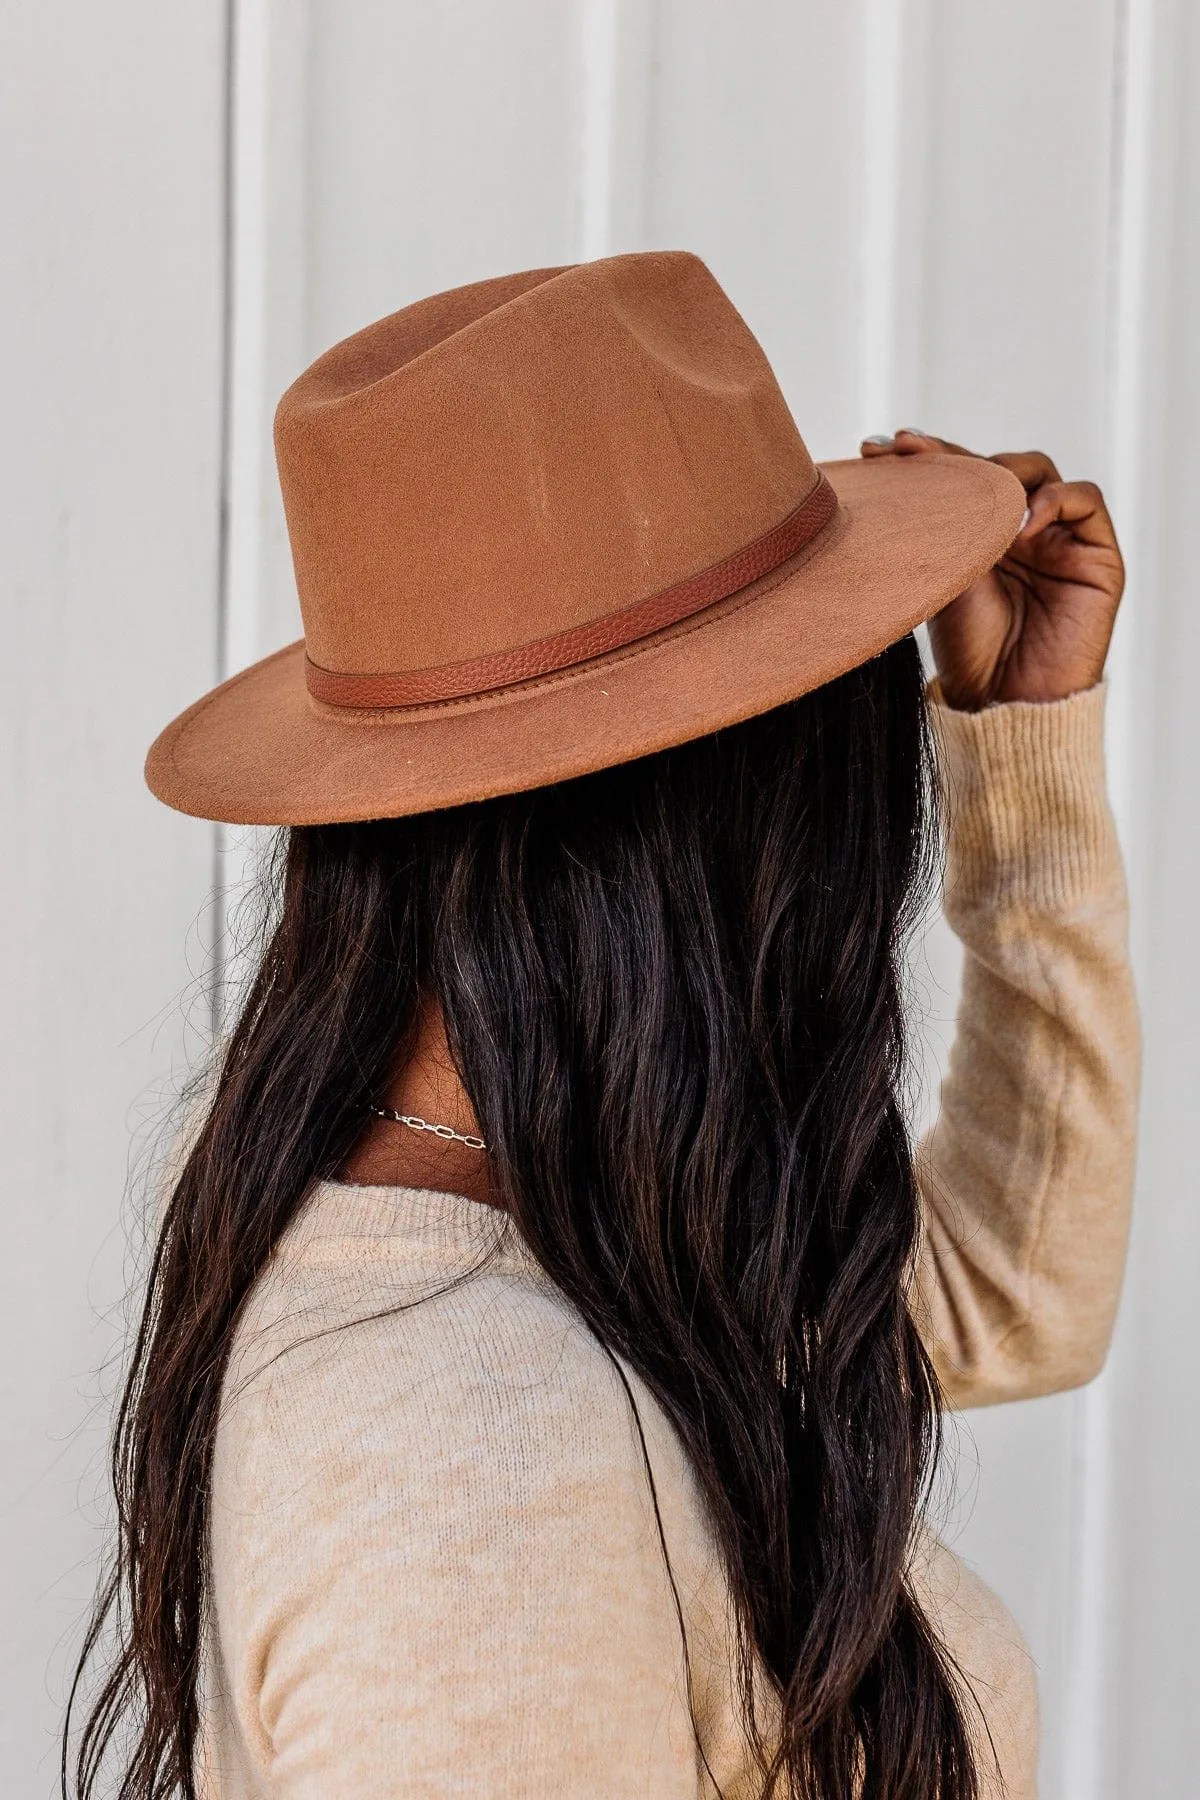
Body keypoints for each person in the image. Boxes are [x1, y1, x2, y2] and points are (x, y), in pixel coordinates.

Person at [70, 254, 1137, 1800]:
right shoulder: (467, 1460)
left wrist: (1025, 762)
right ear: (737, 816)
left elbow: (1009, 1295)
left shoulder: (527, 1168)